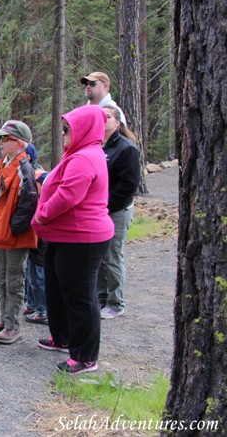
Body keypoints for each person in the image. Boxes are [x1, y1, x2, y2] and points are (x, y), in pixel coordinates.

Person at [32, 106, 114, 375]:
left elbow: (68, 195)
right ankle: (63, 338)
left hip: (82, 239)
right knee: (57, 289)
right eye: (64, 128)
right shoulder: (78, 154)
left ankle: (85, 357)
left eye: (67, 129)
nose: (64, 134)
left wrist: (42, 215)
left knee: (80, 297)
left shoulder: (85, 158)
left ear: (83, 130)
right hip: (65, 236)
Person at [0, 120, 38, 345]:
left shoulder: (24, 168)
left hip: (14, 236)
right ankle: (4, 319)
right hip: (3, 233)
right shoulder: (5, 165)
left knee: (14, 280)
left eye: (4, 138)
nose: (0, 142)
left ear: (19, 143)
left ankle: (13, 326)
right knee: (2, 278)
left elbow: (29, 202)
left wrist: (13, 229)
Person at [97, 102, 141, 319]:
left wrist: (107, 204)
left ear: (117, 121)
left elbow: (128, 185)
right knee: (99, 255)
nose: (102, 119)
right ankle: (101, 297)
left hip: (117, 210)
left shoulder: (126, 148)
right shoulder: (98, 144)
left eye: (107, 116)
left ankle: (116, 302)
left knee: (113, 255)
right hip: (99, 210)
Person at [22, 143, 48, 326]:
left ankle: (44, 310)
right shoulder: (28, 173)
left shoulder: (38, 175)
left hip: (41, 231)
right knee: (30, 269)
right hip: (30, 230)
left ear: (28, 157)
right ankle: (32, 304)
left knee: (39, 272)